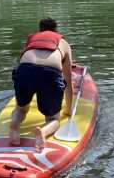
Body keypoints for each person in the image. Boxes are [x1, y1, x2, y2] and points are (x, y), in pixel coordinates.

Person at [9, 18, 73, 151]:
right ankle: (43, 132)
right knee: (53, 119)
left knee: (21, 109)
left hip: (25, 69)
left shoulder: (32, 39)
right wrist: (68, 110)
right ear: (56, 30)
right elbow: (68, 79)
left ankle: (14, 126)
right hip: (49, 74)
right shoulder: (63, 43)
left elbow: (23, 60)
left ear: (39, 30)